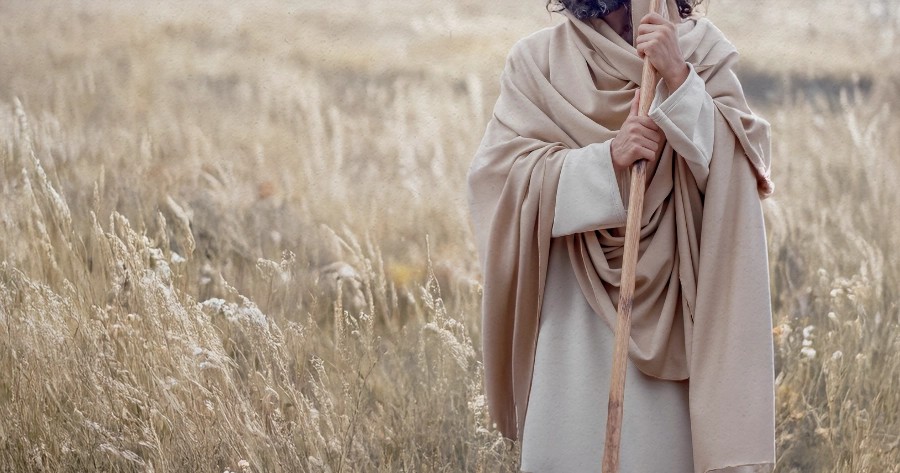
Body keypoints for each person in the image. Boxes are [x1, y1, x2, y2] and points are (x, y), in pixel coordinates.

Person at [465, 0, 777, 472]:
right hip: (571, 321)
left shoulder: (701, 51)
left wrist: (679, 79)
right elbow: (498, 183)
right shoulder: (539, 61)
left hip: (672, 317)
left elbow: (737, 171)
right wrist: (607, 161)